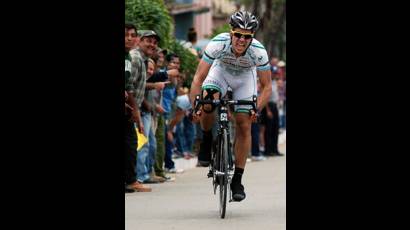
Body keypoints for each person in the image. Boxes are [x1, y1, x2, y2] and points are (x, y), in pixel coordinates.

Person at [189, 11, 272, 201]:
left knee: (244, 124)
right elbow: (198, 78)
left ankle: (237, 180)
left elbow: (267, 87)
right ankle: (207, 138)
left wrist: (256, 108)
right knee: (208, 100)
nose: (242, 40)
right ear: (231, 32)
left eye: (247, 36)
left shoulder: (258, 51)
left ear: (252, 37)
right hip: (220, 73)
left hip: (244, 79)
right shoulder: (218, 43)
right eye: (238, 35)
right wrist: (196, 106)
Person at [124, 23, 150, 192]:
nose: (129, 38)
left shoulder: (127, 56)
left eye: (133, 35)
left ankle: (131, 180)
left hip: (129, 107)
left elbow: (129, 87)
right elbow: (130, 87)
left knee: (131, 142)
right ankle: (132, 179)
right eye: (126, 34)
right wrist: (136, 112)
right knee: (131, 142)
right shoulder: (133, 58)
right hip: (129, 107)